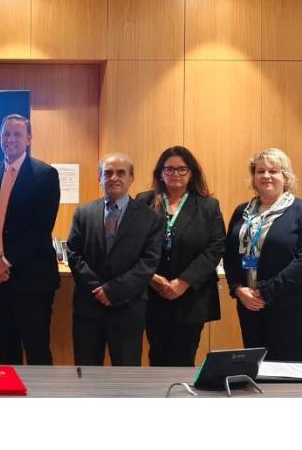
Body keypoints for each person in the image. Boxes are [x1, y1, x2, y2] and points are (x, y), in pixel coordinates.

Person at [0, 114, 60, 365]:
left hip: (32, 279)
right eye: (6, 134)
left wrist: (6, 262)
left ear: (29, 138)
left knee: (36, 350)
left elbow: (41, 228)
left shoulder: (45, 174)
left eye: (17, 134)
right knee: (6, 349)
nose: (11, 139)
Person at [66, 153, 162, 366]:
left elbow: (149, 261)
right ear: (99, 177)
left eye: (121, 173)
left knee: (126, 377)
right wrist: (99, 290)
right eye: (107, 173)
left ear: (131, 178)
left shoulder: (150, 218)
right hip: (88, 308)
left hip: (128, 308)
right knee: (86, 374)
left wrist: (113, 291)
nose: (114, 178)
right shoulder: (83, 213)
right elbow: (73, 253)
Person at [136, 146, 224, 366]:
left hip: (191, 295)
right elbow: (133, 244)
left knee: (183, 358)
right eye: (169, 169)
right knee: (157, 356)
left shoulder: (208, 205)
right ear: (160, 173)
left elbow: (216, 247)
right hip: (153, 292)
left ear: (191, 173)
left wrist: (183, 282)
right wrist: (151, 277)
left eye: (182, 169)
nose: (175, 174)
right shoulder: (144, 201)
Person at [223, 148, 302, 361]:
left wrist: (266, 291)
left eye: (273, 171)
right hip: (249, 304)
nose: (266, 176)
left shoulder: (299, 210)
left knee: (286, 368)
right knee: (255, 364)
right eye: (260, 171)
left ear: (285, 176)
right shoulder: (242, 211)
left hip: (288, 305)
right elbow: (229, 254)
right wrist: (238, 289)